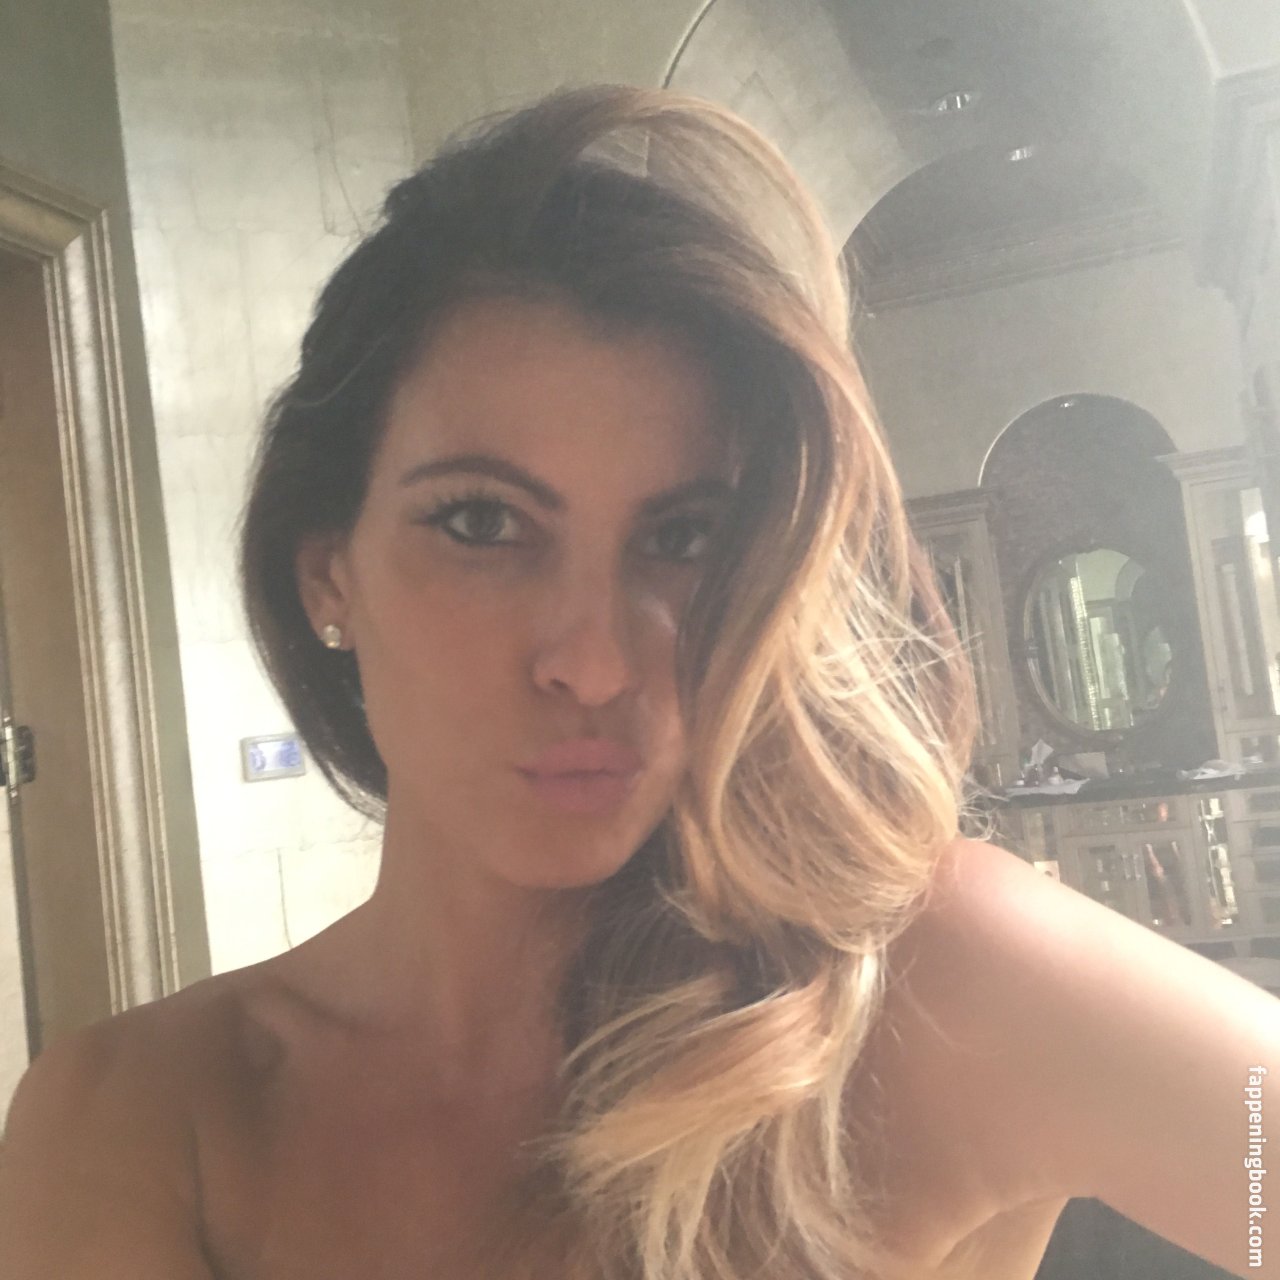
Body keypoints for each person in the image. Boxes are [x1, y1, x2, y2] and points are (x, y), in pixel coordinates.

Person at [0, 84, 1276, 1280]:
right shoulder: (139, 1117)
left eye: (683, 535)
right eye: (482, 524)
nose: (596, 659)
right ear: (326, 569)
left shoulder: (931, 991)